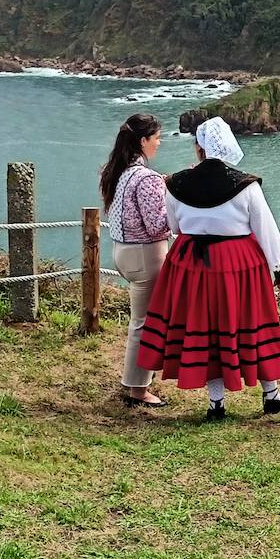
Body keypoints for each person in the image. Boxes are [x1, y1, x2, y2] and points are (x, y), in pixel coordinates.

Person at [137, 117, 280, 421]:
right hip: (239, 263)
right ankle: (271, 394)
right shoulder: (246, 185)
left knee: (207, 330)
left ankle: (216, 404)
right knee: (254, 324)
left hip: (191, 265)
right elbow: (266, 229)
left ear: (199, 148)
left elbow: (173, 226)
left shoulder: (175, 183)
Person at [100, 113, 170, 408]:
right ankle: (137, 389)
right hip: (146, 255)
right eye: (156, 138)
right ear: (143, 141)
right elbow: (158, 226)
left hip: (122, 250)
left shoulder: (117, 171)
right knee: (144, 323)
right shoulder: (147, 178)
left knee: (140, 321)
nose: (159, 143)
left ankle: (137, 384)